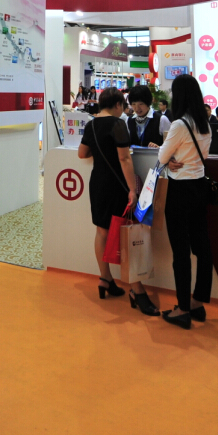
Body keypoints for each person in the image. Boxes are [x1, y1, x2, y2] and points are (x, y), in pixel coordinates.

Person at [76, 87, 158, 316]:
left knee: (101, 232)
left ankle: (105, 278)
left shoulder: (91, 124)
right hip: (116, 185)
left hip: (97, 184)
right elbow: (124, 158)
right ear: (118, 105)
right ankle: (137, 290)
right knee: (125, 234)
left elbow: (82, 154)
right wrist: (132, 189)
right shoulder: (118, 124)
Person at [157, 74, 213, 329]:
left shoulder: (179, 124)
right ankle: (197, 302)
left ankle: (182, 308)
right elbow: (204, 155)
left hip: (180, 189)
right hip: (200, 187)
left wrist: (170, 159)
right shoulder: (204, 123)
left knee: (181, 251)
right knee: (202, 247)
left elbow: (162, 155)